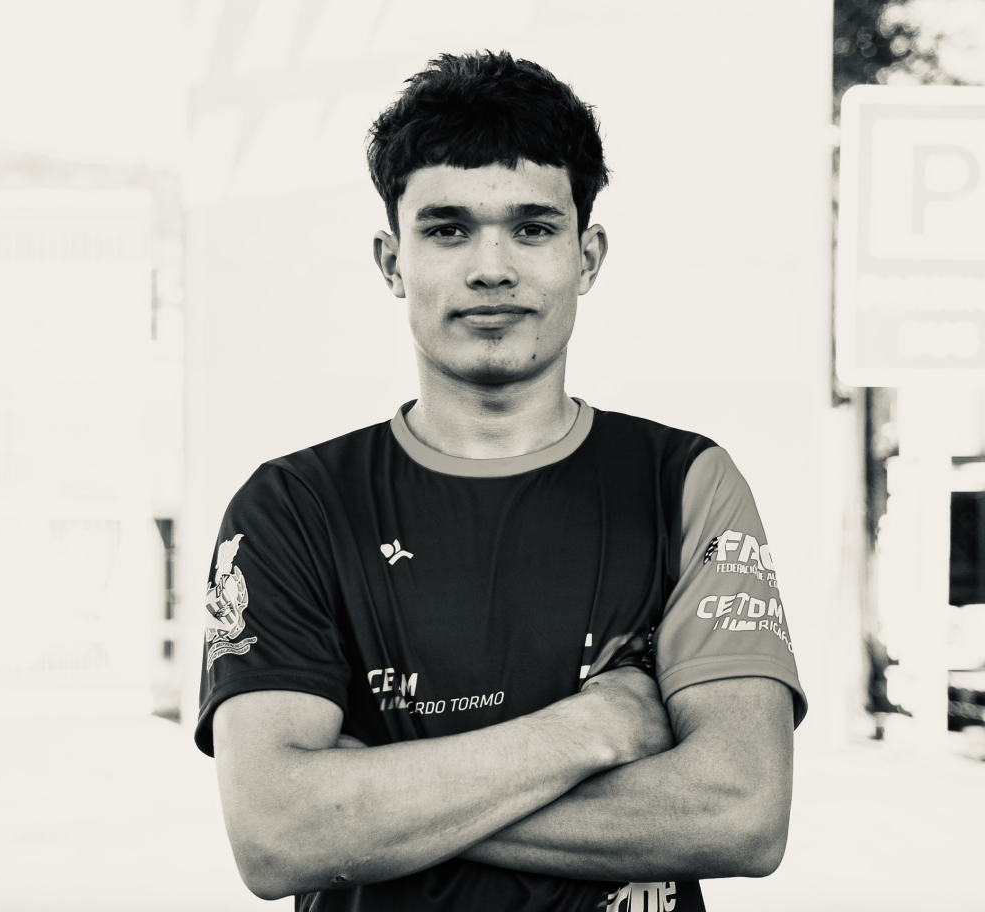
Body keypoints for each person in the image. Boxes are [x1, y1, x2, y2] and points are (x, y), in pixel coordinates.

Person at [195, 50, 807, 912]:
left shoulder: (684, 483)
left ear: (587, 256)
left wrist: (371, 802)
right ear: (391, 261)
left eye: (533, 228)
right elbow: (276, 834)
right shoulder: (292, 508)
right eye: (447, 229)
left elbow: (741, 814)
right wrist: (589, 730)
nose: (492, 267)